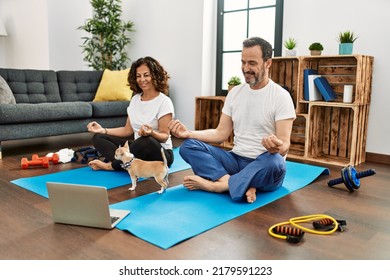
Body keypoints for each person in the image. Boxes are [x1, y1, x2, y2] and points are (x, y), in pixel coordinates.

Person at [168, 37, 296, 203]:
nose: (245, 68)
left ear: (268, 63)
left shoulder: (281, 97)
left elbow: (285, 145)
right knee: (188, 146)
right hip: (235, 160)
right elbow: (221, 133)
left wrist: (276, 147)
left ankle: (219, 186)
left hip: (263, 163)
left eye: (252, 63)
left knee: (276, 163)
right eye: (243, 62)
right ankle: (237, 183)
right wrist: (188, 133)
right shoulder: (235, 93)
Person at [87, 56, 175, 171]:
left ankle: (111, 166)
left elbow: (164, 137)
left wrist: (151, 133)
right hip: (138, 149)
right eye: (138, 76)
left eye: (146, 75)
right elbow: (127, 130)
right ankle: (127, 164)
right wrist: (103, 130)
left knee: (145, 140)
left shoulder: (164, 101)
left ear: (155, 75)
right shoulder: (135, 100)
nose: (142, 79)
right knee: (98, 137)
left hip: (161, 154)